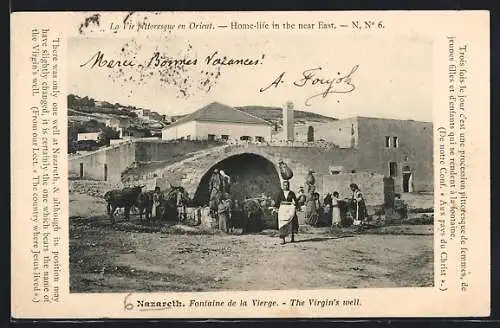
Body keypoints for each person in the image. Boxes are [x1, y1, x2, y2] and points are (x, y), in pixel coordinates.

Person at [274, 180, 299, 245]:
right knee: (282, 224)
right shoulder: (280, 193)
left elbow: (295, 201)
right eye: (284, 185)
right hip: (282, 209)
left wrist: (295, 204)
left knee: (292, 222)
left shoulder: (292, 193)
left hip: (290, 209)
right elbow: (277, 201)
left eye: (287, 185)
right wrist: (276, 208)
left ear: (289, 185)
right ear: (283, 186)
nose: (286, 186)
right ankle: (283, 239)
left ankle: (292, 237)